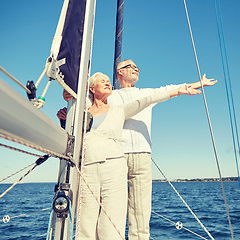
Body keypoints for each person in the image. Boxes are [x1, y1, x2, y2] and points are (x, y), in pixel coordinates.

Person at [58, 60, 217, 240]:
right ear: (119, 72)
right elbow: (82, 103)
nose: (135, 69)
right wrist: (69, 94)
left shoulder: (144, 94)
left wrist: (198, 83)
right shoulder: (111, 96)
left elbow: (168, 90)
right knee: (101, 211)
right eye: (130, 67)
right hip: (115, 157)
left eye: (137, 68)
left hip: (141, 155)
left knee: (140, 211)